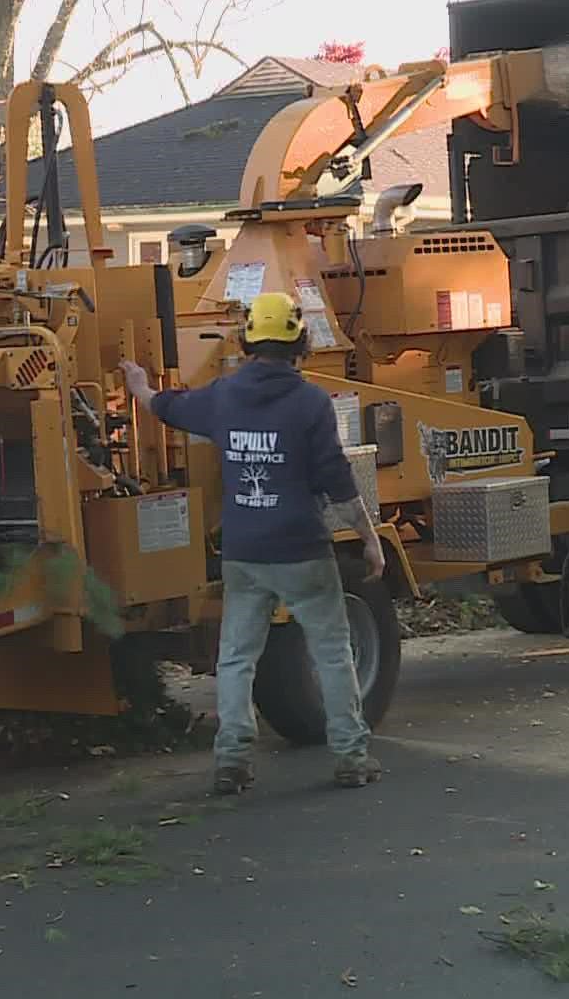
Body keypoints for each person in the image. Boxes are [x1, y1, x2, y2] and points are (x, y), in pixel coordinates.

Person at [120, 290, 385, 794]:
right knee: (332, 652)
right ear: (300, 341)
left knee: (237, 657)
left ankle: (232, 761)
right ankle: (351, 756)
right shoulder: (311, 403)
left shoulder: (223, 396)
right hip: (302, 548)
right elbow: (338, 480)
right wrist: (370, 539)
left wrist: (139, 387)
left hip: (244, 551)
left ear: (246, 342)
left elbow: (168, 408)